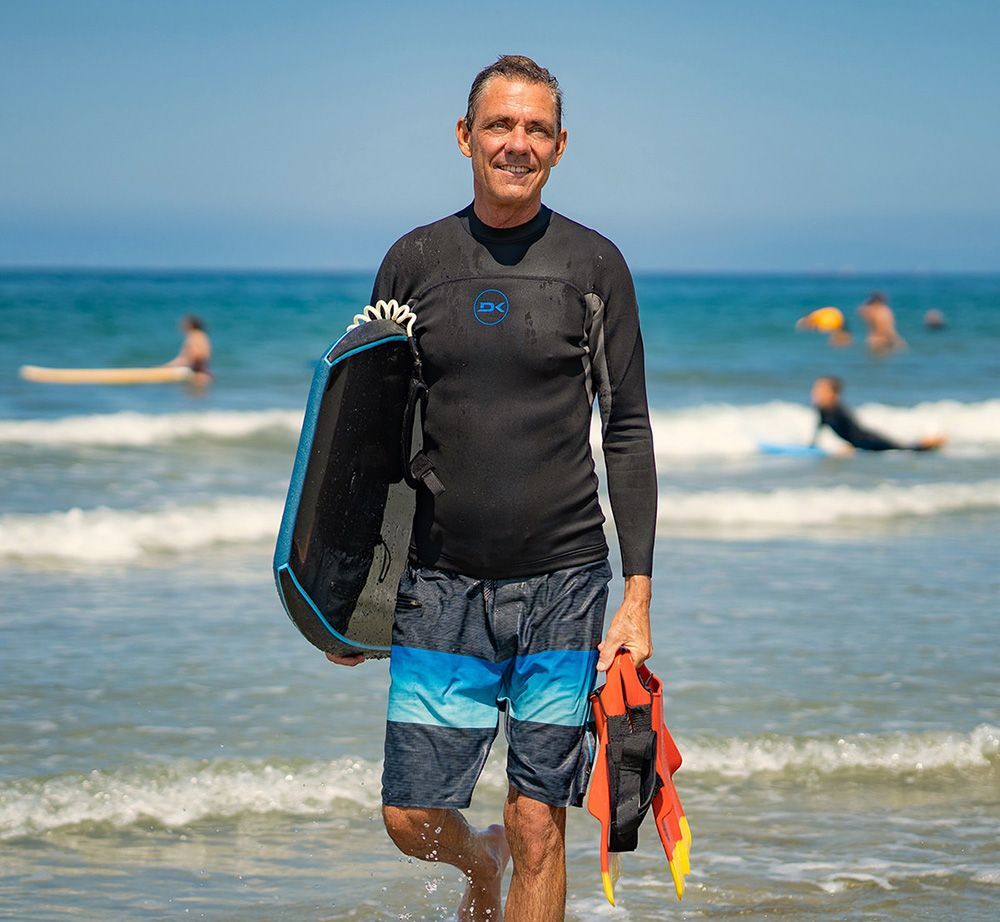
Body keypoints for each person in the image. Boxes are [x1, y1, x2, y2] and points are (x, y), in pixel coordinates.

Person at [326, 56, 657, 921]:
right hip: (441, 580)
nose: (519, 143)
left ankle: (514, 860)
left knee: (539, 820)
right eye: (501, 126)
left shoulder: (595, 266)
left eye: (537, 129)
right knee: (408, 815)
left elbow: (626, 431)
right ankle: (480, 868)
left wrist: (637, 597)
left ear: (561, 145)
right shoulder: (414, 262)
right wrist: (348, 595)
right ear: (465, 136)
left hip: (564, 580)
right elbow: (368, 436)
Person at [810, 376, 945, 453]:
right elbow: (820, 428)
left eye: (821, 389)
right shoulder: (822, 409)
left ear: (834, 394)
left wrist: (851, 446)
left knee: (904, 449)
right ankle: (927, 442)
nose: (816, 392)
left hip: (869, 440)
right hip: (862, 443)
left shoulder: (840, 410)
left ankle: (931, 442)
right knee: (902, 448)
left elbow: (855, 432)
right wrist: (812, 446)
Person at [165, 314, 212, 384]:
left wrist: (169, 366)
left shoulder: (194, 336)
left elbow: (198, 355)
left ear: (190, 325)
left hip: (196, 374)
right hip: (203, 373)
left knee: (193, 394)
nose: (181, 325)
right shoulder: (202, 335)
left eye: (184, 323)